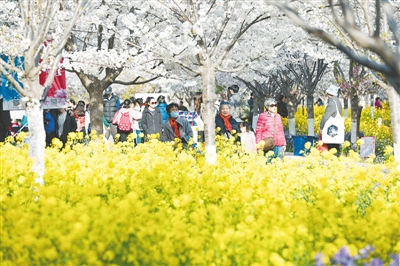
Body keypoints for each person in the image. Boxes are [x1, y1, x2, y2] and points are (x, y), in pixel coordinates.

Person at [320, 84, 343, 156]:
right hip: (337, 127)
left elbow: (326, 116)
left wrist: (321, 127)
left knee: (332, 147)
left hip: (332, 129)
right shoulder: (337, 101)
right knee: (336, 147)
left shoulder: (332, 102)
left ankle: (333, 163)